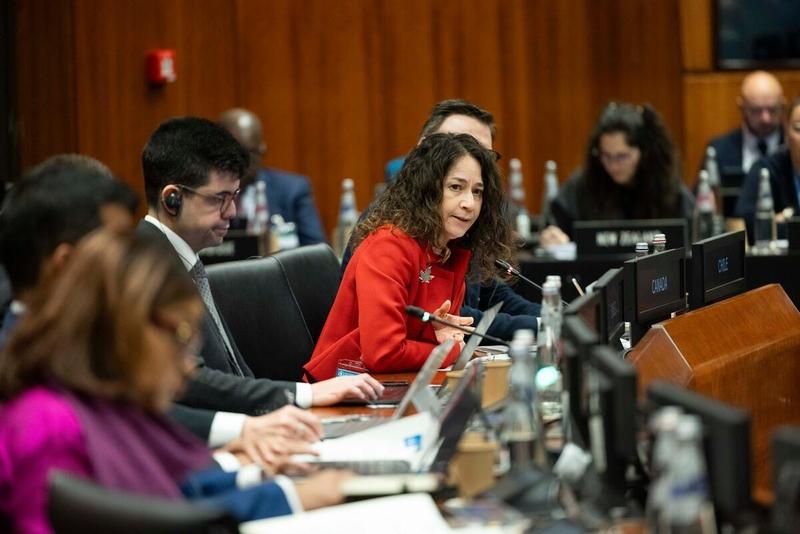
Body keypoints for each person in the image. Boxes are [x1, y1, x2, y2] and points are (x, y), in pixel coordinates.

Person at [0, 230, 349, 533]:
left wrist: (271, 483)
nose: (187, 365)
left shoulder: (106, 400)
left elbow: (165, 496)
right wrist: (293, 496)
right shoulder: (47, 424)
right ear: (128, 330)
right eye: (181, 337)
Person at [0, 154, 321, 467]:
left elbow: (143, 425)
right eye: (116, 247)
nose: (128, 260)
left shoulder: (73, 333)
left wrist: (232, 461)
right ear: (65, 264)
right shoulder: (28, 379)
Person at [139, 116, 383, 433]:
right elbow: (190, 381)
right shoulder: (145, 268)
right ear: (172, 199)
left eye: (234, 196)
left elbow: (235, 373)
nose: (232, 212)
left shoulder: (182, 258)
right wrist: (305, 395)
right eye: (219, 199)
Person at [304, 133, 513, 381]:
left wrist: (443, 341)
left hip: (401, 382)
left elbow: (423, 340)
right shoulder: (388, 248)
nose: (469, 203)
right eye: (455, 187)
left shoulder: (452, 251)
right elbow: (383, 353)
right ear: (426, 189)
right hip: (343, 391)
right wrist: (451, 350)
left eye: (477, 192)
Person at [343, 99, 541, 342]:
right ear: (424, 152)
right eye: (455, 144)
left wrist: (552, 317)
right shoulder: (389, 228)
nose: (469, 158)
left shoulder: (459, 224)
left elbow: (491, 293)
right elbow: (448, 317)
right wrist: (540, 325)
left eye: (483, 155)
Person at [548, 102, 695, 239]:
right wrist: (553, 236)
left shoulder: (667, 188)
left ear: (643, 152)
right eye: (606, 156)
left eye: (622, 157)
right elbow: (555, 227)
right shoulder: (582, 185)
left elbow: (691, 235)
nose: (613, 166)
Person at [218, 108, 326, 245]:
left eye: (249, 153)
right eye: (234, 154)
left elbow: (317, 252)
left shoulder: (292, 190)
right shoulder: (204, 194)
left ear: (262, 150)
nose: (241, 163)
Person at [735, 96, 800, 242]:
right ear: (787, 132)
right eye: (798, 128)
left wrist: (784, 221)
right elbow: (745, 222)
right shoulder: (767, 168)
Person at [704, 71, 785, 177]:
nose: (765, 118)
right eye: (756, 110)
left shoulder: (794, 148)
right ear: (742, 107)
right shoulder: (718, 150)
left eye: (772, 109)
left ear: (783, 105)